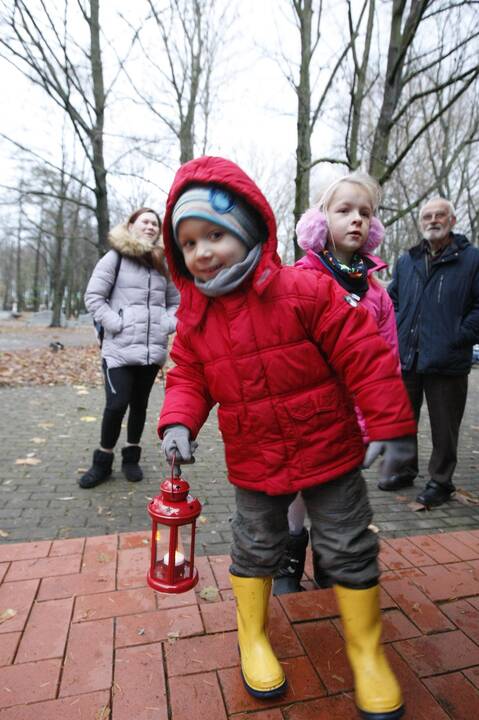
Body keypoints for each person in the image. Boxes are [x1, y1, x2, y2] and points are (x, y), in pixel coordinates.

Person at [157, 155, 415, 720]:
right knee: (255, 547)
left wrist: (392, 424)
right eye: (190, 243)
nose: (202, 252)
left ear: (249, 229)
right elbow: (187, 375)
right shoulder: (197, 322)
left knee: (348, 545)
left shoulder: (304, 290)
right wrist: (179, 421)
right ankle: (253, 637)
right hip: (255, 461)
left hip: (330, 453)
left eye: (215, 235)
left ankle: (366, 652)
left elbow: (364, 355)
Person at [272, 171, 401, 596]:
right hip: (304, 409)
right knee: (298, 489)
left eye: (365, 213)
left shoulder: (378, 294)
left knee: (337, 491)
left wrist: (378, 424)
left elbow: (386, 362)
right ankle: (290, 552)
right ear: (319, 220)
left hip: (351, 418)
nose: (356, 219)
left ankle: (330, 555)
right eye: (343, 210)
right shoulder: (300, 279)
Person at [387, 197, 479, 507]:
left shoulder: (472, 259)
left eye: (440, 215)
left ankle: (441, 481)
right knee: (403, 420)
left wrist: (458, 335)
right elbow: (393, 300)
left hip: (447, 359)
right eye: (427, 216)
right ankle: (405, 470)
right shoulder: (407, 260)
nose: (433, 220)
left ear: (452, 221)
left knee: (445, 427)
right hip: (409, 356)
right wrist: (398, 333)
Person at [80, 207, 179, 489]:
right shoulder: (115, 258)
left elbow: (176, 301)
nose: (150, 227)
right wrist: (117, 323)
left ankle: (131, 458)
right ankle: (102, 461)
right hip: (119, 350)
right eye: (145, 221)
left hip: (151, 351)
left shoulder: (162, 263)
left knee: (140, 405)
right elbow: (94, 296)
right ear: (131, 225)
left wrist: (166, 322)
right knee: (117, 404)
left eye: (155, 224)